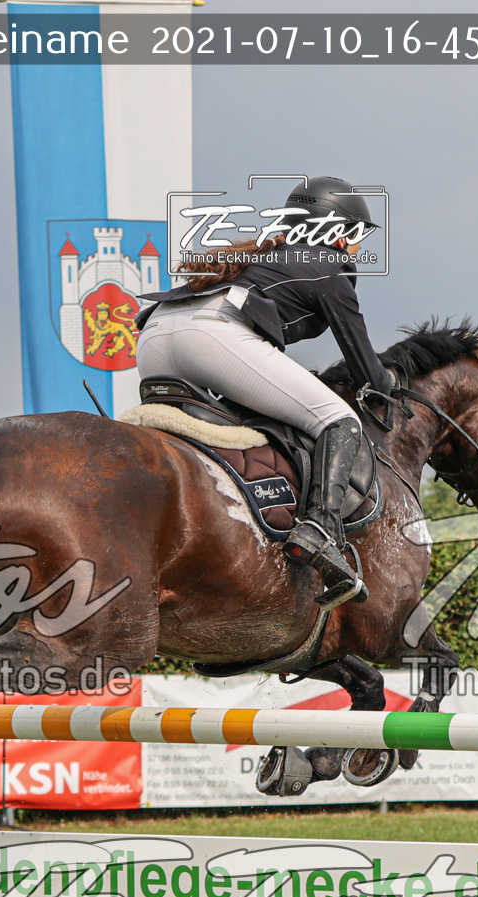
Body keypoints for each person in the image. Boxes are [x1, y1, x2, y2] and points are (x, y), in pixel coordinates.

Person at [135, 176, 394, 607]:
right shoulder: (330, 266)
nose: (356, 247)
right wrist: (391, 387)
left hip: (154, 337)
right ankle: (320, 529)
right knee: (339, 419)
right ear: (337, 231)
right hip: (211, 336)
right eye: (356, 235)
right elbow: (367, 370)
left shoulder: (268, 254)